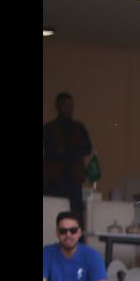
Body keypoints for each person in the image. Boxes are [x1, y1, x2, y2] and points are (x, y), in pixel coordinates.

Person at [43, 91, 94, 221]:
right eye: (65, 105)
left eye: (71, 105)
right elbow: (48, 151)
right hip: (53, 180)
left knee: (75, 214)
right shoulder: (49, 128)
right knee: (52, 213)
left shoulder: (79, 127)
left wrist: (69, 151)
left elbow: (87, 148)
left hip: (74, 179)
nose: (69, 109)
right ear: (58, 106)